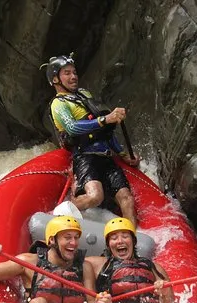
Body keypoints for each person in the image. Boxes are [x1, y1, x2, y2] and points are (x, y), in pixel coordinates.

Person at [43, 53, 141, 227]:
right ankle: (58, 214)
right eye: (67, 73)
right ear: (55, 79)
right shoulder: (58, 104)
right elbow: (72, 128)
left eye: (74, 72)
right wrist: (105, 119)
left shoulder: (84, 94)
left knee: (127, 198)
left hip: (106, 156)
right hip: (85, 156)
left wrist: (122, 154)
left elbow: (105, 131)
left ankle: (130, 238)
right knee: (95, 196)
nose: (73, 76)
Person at [0, 215, 112, 303]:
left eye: (76, 238)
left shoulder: (84, 267)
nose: (74, 243)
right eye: (67, 238)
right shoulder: (29, 262)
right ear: (52, 240)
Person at [87, 217, 174, 303]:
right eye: (114, 238)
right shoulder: (97, 264)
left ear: (133, 241)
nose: (120, 241)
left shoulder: (155, 268)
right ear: (108, 245)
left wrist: (165, 294)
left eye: (125, 236)